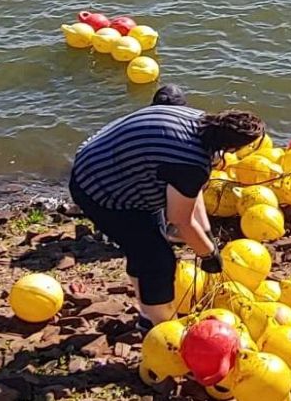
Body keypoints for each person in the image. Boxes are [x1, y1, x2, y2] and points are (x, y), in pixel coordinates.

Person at [68, 104, 265, 328]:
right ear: (231, 147)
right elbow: (180, 220)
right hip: (98, 190)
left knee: (146, 248)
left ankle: (147, 310)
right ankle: (161, 326)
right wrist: (208, 254)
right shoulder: (191, 163)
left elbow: (191, 194)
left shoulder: (198, 118)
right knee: (159, 262)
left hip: (102, 160)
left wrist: (206, 235)